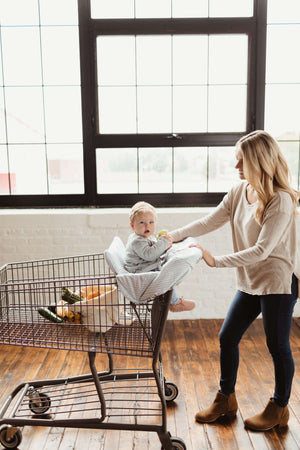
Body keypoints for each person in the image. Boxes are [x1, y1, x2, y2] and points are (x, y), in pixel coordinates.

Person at [169, 130, 299, 431]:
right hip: (252, 278)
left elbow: (262, 250)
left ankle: (279, 407)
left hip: (278, 282)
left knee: (277, 345)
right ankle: (226, 400)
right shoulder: (241, 190)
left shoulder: (280, 200)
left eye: (241, 161)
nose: (237, 167)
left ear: (258, 162)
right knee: (228, 337)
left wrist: (216, 261)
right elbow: (210, 220)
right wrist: (171, 236)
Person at [124, 201, 195, 312]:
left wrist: (163, 247)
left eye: (151, 222)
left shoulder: (145, 237)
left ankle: (168, 299)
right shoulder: (137, 241)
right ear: (132, 226)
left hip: (143, 267)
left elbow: (153, 251)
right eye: (142, 222)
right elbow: (149, 255)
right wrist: (163, 243)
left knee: (166, 270)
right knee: (166, 275)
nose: (147, 225)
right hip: (139, 272)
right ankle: (174, 302)